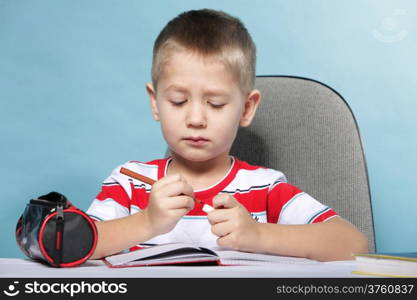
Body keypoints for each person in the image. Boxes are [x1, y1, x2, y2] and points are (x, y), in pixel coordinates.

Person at [87, 9, 368, 261]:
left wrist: (257, 234)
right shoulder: (128, 182)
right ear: (155, 102)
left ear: (246, 108)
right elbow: (69, 247)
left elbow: (353, 244)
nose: (195, 119)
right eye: (178, 101)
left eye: (216, 104)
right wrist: (147, 222)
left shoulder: (265, 189)